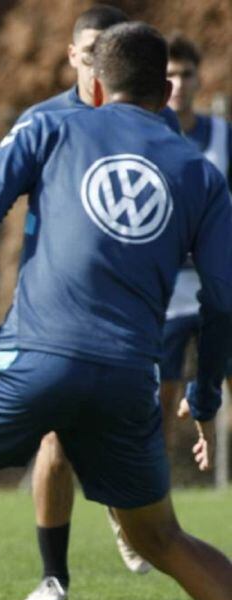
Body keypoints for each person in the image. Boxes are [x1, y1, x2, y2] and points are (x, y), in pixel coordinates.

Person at [0, 22, 232, 600]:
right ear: (165, 93)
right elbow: (221, 299)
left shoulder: (51, 125)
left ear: (95, 82)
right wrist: (208, 394)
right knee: (160, 538)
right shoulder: (203, 174)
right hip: (130, 377)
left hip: (34, 357)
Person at [5, 6, 183, 600]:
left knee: (131, 423)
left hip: (129, 312)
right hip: (55, 307)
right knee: (55, 438)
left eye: (101, 53)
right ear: (72, 55)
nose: (91, 63)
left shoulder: (159, 123)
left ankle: (125, 512)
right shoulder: (45, 120)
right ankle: (54, 576)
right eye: (84, 53)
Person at [159, 33, 232, 447]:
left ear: (199, 79)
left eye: (186, 74)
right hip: (166, 293)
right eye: (170, 74)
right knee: (160, 403)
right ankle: (150, 503)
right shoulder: (148, 139)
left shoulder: (223, 137)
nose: (179, 83)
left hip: (217, 287)